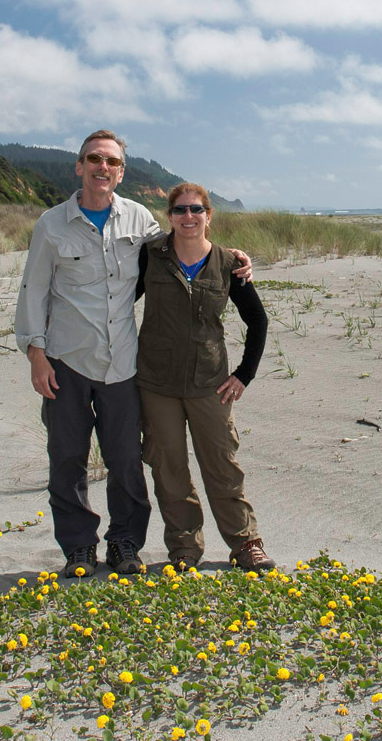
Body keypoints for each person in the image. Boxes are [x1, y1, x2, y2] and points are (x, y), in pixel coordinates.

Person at [15, 131, 253, 578]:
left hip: (123, 365)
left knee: (126, 460)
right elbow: (34, 291)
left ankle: (126, 542)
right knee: (66, 459)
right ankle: (79, 548)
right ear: (79, 166)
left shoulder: (138, 219)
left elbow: (182, 242)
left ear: (121, 171)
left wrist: (233, 258)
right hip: (65, 360)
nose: (102, 167)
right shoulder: (51, 224)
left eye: (111, 161)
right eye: (94, 159)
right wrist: (36, 354)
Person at [136, 182, 274, 573]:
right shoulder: (151, 256)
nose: (188, 217)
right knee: (169, 468)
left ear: (208, 216)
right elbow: (117, 298)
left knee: (222, 465)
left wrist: (244, 375)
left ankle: (246, 544)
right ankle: (184, 548)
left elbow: (257, 321)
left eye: (196, 210)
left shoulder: (229, 263)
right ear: (170, 216)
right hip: (156, 383)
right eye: (180, 210)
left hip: (209, 383)